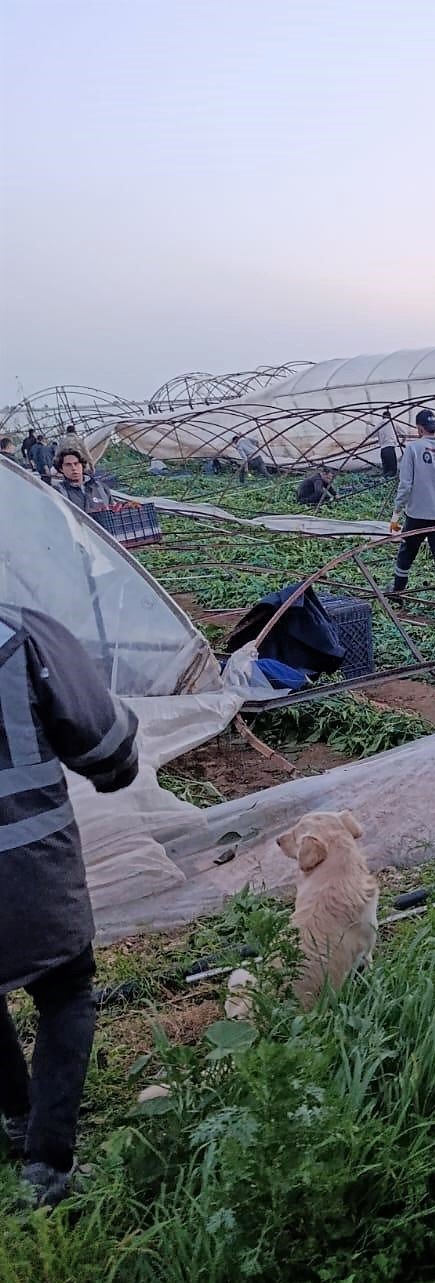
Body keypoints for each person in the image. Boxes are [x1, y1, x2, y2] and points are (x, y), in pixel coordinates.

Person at [0, 605, 139, 1206]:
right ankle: (48, 1166)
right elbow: (104, 747)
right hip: (25, 868)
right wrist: (121, 759)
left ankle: (16, 1115)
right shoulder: (16, 635)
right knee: (66, 988)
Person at [388, 409, 435, 622]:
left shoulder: (413, 449)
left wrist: (396, 513)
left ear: (419, 429)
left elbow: (405, 485)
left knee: (406, 554)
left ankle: (397, 594)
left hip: (417, 515)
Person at [53, 448, 111, 514]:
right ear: (61, 469)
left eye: (76, 463)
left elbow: (113, 512)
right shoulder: (58, 491)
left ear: (82, 465)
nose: (74, 468)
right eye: (68, 465)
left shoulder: (101, 488)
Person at [378, 409, 402, 479]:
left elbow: (371, 435)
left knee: (386, 470)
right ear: (390, 417)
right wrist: (402, 441)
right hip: (390, 449)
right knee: (392, 471)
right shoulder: (393, 423)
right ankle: (387, 481)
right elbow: (403, 433)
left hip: (383, 450)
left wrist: (367, 425)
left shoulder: (379, 424)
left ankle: (383, 480)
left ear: (382, 417)